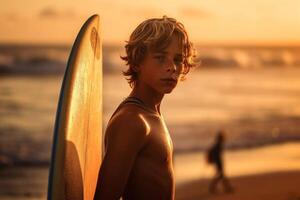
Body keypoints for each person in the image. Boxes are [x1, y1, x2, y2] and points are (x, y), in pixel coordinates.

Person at [94, 16, 197, 200]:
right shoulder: (132, 121)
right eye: (160, 58)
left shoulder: (151, 114)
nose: (172, 67)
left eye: (178, 59)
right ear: (136, 62)